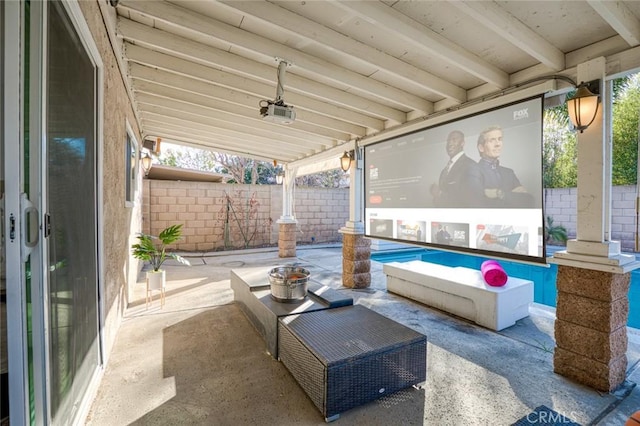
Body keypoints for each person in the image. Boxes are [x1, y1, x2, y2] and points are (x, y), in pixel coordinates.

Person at [475, 125, 534, 208]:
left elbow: (528, 200)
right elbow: (477, 203)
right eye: (492, 140)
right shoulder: (472, 171)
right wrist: (512, 196)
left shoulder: (509, 172)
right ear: (481, 148)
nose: (498, 144)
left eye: (499, 139)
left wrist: (499, 193)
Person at [432, 130, 482, 207]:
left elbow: (470, 198)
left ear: (462, 143)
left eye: (454, 140)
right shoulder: (443, 171)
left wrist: (439, 193)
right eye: (448, 141)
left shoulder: (471, 165)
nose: (450, 144)